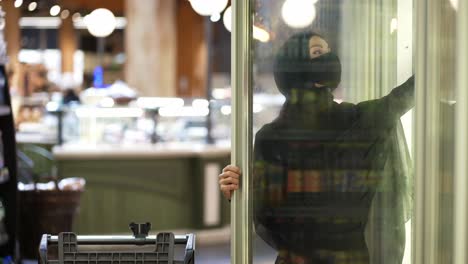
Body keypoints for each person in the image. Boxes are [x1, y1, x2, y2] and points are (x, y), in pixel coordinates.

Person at [219, 31, 414, 264]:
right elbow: (267, 210)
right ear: (296, 67)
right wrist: (238, 189)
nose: (329, 59)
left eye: (329, 52)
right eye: (318, 52)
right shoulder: (271, 138)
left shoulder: (356, 119)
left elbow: (400, 99)